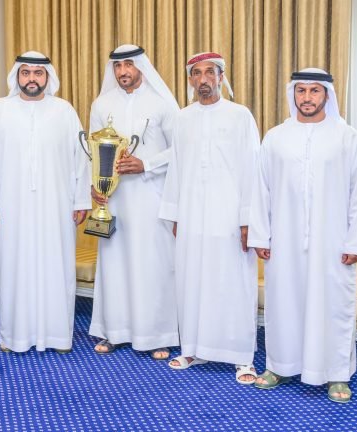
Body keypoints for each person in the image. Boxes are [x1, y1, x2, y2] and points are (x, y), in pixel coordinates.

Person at [249, 69, 357, 403]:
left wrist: (356, 241)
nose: (307, 97)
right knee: (283, 302)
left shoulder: (347, 137)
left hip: (333, 241)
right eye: (301, 90)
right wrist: (260, 235)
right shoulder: (275, 137)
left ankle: (336, 373)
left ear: (327, 95)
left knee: (332, 304)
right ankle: (280, 365)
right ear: (293, 94)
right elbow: (261, 189)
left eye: (314, 91)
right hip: (283, 239)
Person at [0, 51, 91, 353]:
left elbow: (80, 159)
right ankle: (15, 336)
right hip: (11, 205)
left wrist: (81, 200)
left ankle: (57, 335)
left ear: (47, 77)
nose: (31, 78)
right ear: (17, 76)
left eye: (38, 73)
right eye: (25, 72)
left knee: (56, 266)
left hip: (57, 205)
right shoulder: (0, 110)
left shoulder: (64, 111)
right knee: (14, 267)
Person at [159, 52, 260, 384]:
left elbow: (252, 168)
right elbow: (176, 168)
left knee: (233, 284)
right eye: (196, 73)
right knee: (192, 281)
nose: (203, 79)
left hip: (229, 216)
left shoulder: (240, 115)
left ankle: (242, 357)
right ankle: (192, 349)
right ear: (190, 80)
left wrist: (248, 219)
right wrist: (174, 215)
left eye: (209, 73)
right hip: (191, 214)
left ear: (221, 77)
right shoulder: (182, 118)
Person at [87, 44, 180, 359]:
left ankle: (158, 335)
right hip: (114, 199)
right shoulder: (102, 104)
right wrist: (95, 186)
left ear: (141, 66)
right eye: (117, 66)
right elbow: (93, 151)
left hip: (151, 197)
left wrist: (146, 165)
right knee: (115, 265)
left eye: (128, 64)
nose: (123, 71)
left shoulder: (161, 103)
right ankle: (114, 331)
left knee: (152, 265)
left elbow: (180, 149)